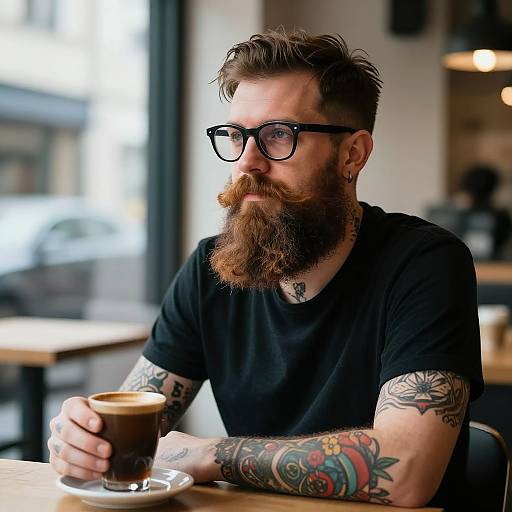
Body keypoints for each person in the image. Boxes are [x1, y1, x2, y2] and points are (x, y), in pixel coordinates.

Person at [48, 30, 483, 509]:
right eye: (235, 136)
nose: (247, 163)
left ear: (352, 155)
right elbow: (138, 423)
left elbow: (406, 470)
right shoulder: (210, 269)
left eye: (279, 134)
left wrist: (214, 454)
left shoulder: (424, 264)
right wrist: (87, 438)